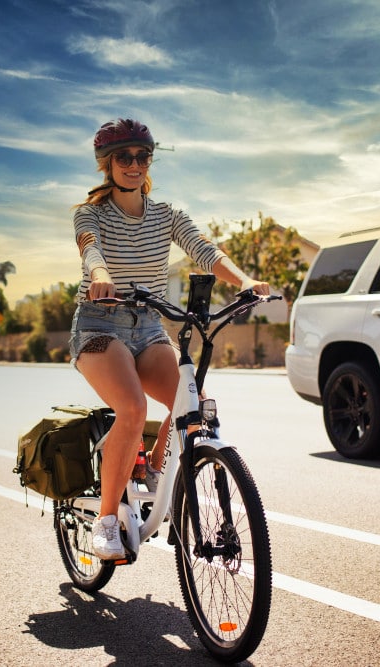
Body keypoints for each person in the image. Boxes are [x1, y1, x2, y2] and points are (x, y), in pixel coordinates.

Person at [69, 118, 270, 559]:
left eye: (143, 157)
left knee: (192, 406)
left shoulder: (167, 215)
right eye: (124, 157)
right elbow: (91, 249)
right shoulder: (92, 213)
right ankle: (106, 521)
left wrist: (245, 280)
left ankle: (157, 471)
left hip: (150, 326)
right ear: (108, 164)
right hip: (101, 326)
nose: (134, 165)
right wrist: (101, 277)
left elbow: (204, 249)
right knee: (134, 408)